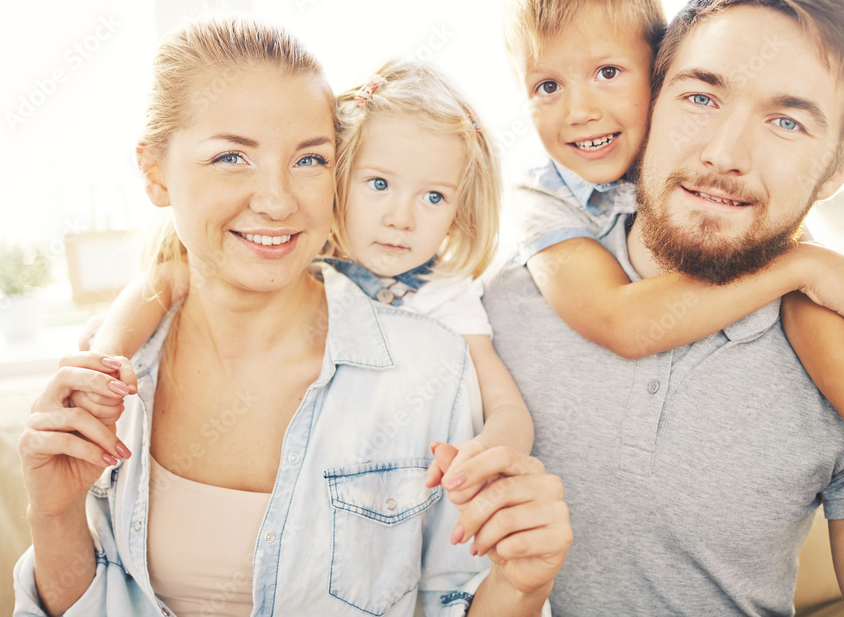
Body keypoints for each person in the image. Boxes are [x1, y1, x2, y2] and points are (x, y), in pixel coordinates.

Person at [14, 15, 569, 617]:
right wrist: (53, 515)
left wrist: (520, 588)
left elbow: (454, 599)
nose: (278, 200)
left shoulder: (433, 367)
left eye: (309, 160)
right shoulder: (112, 379)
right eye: (232, 157)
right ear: (154, 173)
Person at [484, 0, 844, 615]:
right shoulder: (492, 308)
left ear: (834, 172)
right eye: (701, 97)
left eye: (787, 121)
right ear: (656, 94)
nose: (724, 153)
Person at [81, 60, 534, 492]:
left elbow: (507, 406)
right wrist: (108, 353)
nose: (402, 218)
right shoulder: (296, 256)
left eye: (434, 197)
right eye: (378, 185)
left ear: (459, 212)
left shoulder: (445, 294)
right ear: (335, 180)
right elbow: (167, 278)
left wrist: (487, 452)